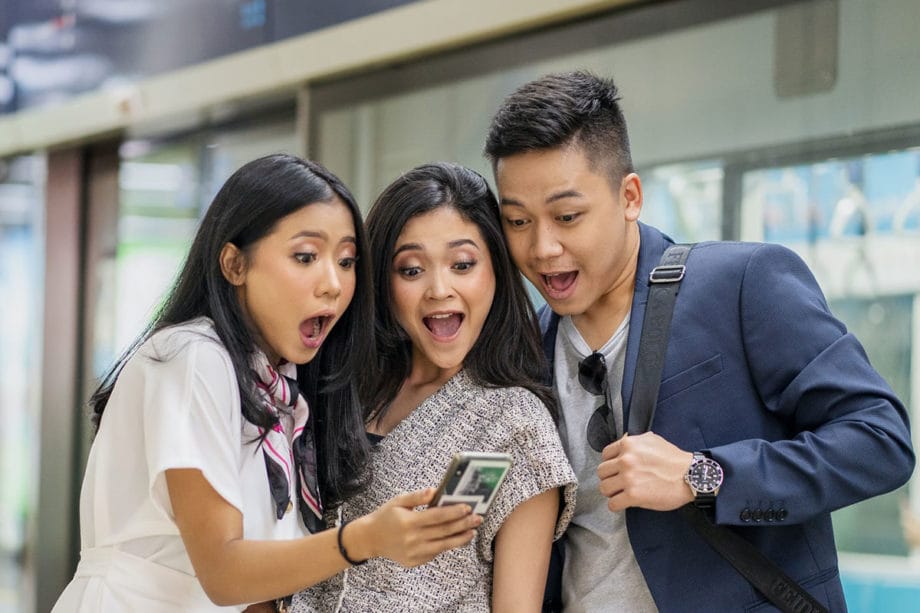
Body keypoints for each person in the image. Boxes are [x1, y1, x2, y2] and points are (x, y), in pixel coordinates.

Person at [483, 71, 915, 612]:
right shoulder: (524, 351)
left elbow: (880, 442)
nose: (542, 247)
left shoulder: (741, 282)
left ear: (630, 197)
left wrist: (701, 475)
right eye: (518, 221)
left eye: (567, 216)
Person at [51, 154, 482, 613]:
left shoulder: (281, 391)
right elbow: (223, 571)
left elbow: (256, 592)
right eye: (306, 256)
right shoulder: (192, 356)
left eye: (347, 260)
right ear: (235, 264)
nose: (334, 284)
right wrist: (364, 540)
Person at [294, 162, 577, 612]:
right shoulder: (338, 385)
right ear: (381, 283)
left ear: (496, 273)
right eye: (411, 270)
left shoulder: (508, 425)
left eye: (462, 264)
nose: (439, 289)